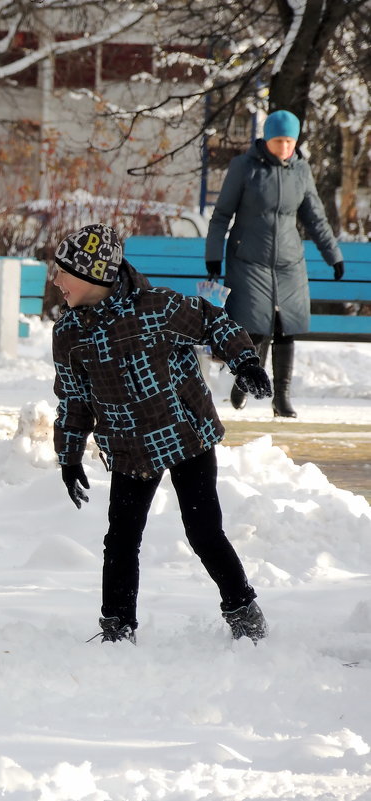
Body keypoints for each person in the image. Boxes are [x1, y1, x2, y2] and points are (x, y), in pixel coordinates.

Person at [52, 223, 271, 644]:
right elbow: (74, 400)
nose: (56, 280)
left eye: (63, 271)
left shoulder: (156, 308)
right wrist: (69, 455)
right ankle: (117, 626)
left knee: (204, 531)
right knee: (121, 539)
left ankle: (243, 610)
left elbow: (212, 322)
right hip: (129, 447)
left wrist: (245, 361)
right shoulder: (69, 335)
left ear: (92, 274)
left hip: (186, 434)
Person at [205, 109, 344, 418]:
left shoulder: (301, 170)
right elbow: (222, 215)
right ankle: (244, 381)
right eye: (279, 140)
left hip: (288, 262)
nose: (285, 147)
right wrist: (213, 254)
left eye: (290, 141)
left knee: (286, 328)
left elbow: (315, 217)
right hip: (248, 260)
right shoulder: (243, 167)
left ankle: (281, 398)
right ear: (267, 139)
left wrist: (333, 255)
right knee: (254, 328)